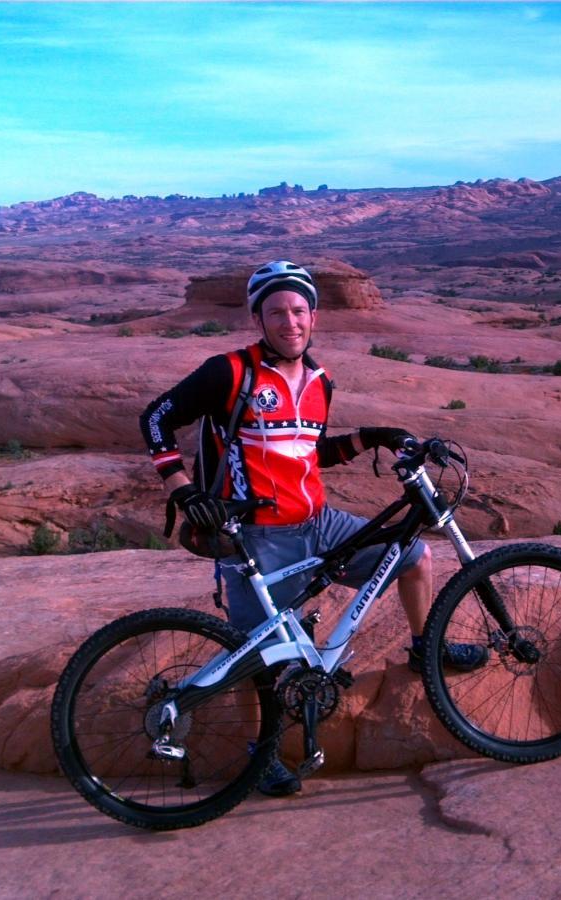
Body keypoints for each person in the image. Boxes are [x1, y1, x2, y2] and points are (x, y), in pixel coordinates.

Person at [139, 260, 485, 798]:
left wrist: (371, 436)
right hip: (255, 535)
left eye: (298, 310)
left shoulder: (321, 382)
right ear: (259, 318)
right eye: (276, 312)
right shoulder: (230, 372)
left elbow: (309, 452)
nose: (289, 321)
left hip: (319, 524)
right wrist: (181, 489)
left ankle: (425, 647)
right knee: (262, 654)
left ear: (314, 316)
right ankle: (262, 753)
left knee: (414, 558)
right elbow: (156, 418)